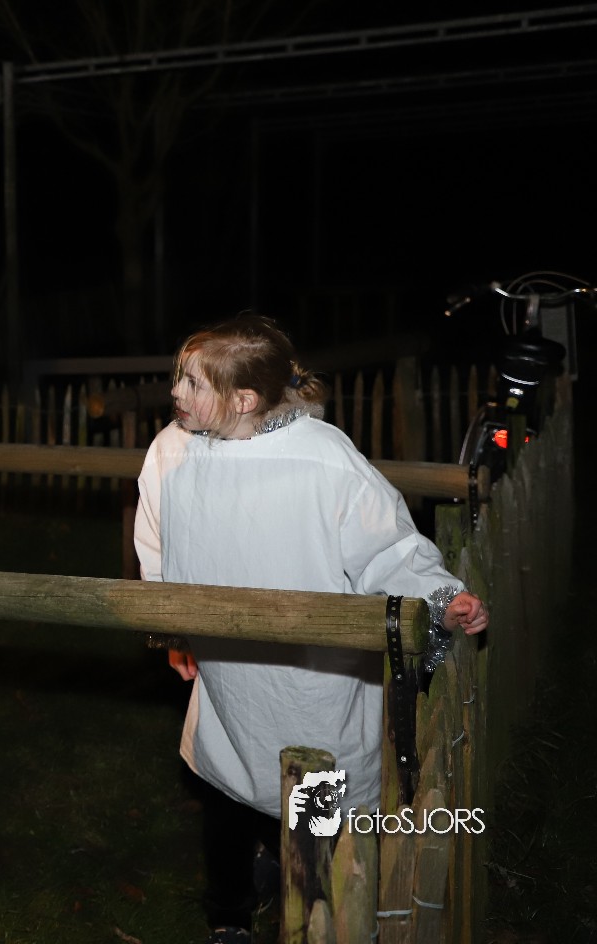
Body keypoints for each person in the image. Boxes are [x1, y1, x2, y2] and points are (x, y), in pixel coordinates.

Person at [134, 313, 488, 944]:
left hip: (313, 675)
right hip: (226, 670)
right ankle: (229, 914)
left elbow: (387, 548)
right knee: (226, 782)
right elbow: (156, 542)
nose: (175, 394)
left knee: (316, 788)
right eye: (178, 378)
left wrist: (442, 597)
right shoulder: (170, 450)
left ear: (245, 399)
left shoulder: (322, 457)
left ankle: (320, 911)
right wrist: (173, 631)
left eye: (193, 383)